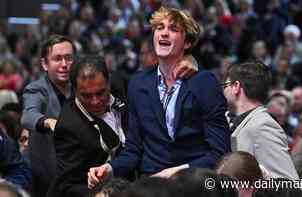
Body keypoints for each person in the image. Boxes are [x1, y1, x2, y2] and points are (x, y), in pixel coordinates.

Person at [88, 6, 229, 187]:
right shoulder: (138, 84)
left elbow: (219, 151)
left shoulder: (204, 82)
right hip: (151, 186)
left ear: (187, 43)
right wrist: (109, 168)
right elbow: (133, 151)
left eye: (173, 29)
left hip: (195, 183)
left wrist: (180, 171)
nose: (164, 33)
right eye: (159, 28)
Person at [45, 55, 128, 197]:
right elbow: (67, 185)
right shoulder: (68, 127)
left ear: (108, 83)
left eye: (101, 93)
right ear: (75, 91)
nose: (95, 101)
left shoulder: (121, 86)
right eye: (86, 96)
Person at [223, 61, 299, 179]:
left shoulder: (263, 126)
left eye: (225, 85)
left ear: (236, 87)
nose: (223, 90)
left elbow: (287, 184)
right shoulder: (228, 119)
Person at [21, 34, 75, 197]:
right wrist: (48, 121)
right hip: (45, 180)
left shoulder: (82, 88)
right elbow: (28, 115)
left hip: (75, 177)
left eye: (69, 58)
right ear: (45, 64)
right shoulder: (36, 89)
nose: (64, 64)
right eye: (57, 59)